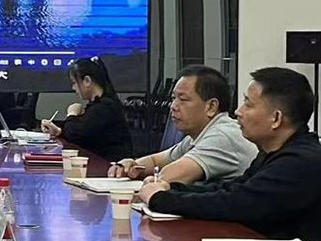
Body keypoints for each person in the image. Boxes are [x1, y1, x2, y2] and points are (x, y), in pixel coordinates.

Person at [137, 67, 321, 241]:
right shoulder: (274, 152)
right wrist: (173, 190)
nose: (238, 111)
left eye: (248, 104)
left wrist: (162, 199)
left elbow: (236, 204)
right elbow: (233, 189)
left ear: (276, 118)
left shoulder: (300, 162)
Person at [109, 66, 256, 183]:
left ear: (211, 107)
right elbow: (156, 161)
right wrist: (131, 165)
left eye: (183, 99)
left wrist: (151, 178)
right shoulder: (197, 136)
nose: (173, 106)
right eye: (173, 98)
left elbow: (170, 176)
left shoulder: (222, 136)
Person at [40, 57, 131, 162]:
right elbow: (80, 130)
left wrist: (72, 114)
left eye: (74, 82)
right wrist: (59, 131)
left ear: (87, 81)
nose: (73, 88)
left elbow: (76, 134)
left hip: (109, 166)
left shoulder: (105, 107)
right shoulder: (99, 105)